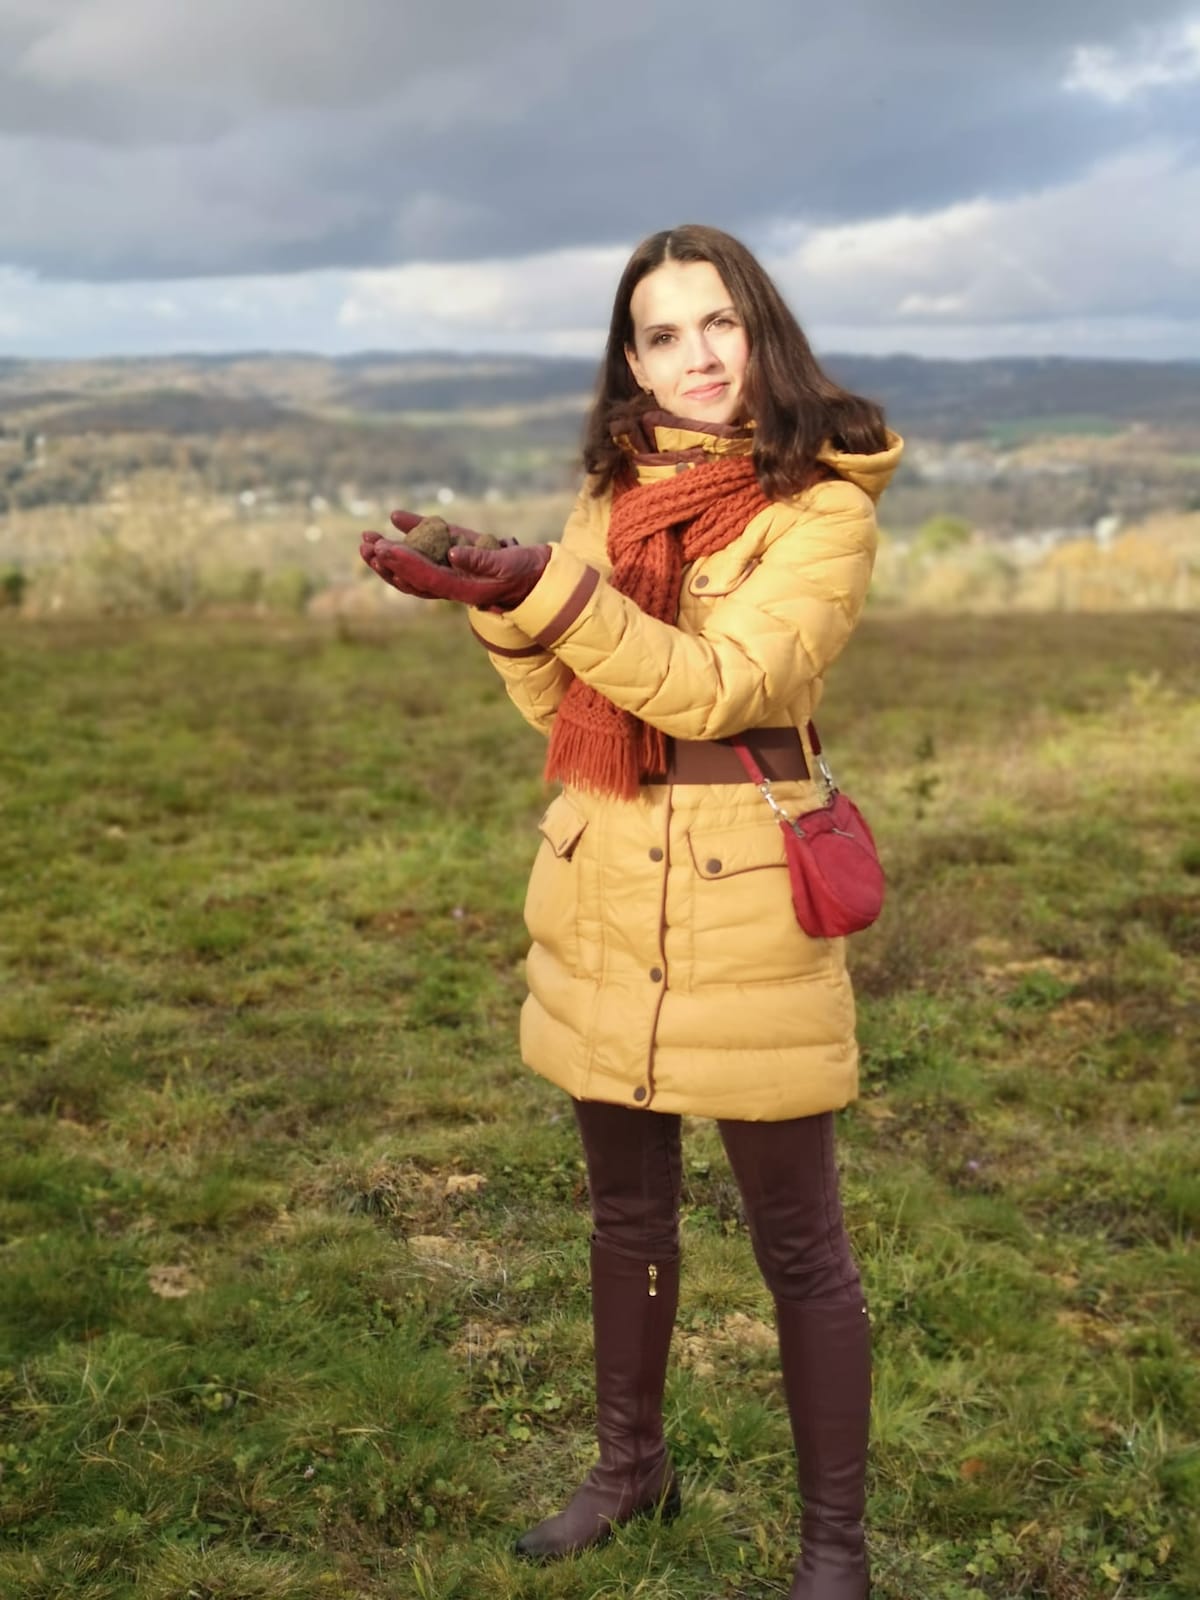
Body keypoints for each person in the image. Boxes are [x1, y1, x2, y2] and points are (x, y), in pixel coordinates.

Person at [360, 223, 903, 1600]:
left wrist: (544, 586)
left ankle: (831, 1552)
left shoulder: (824, 506)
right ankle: (628, 1469)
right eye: (662, 334)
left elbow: (720, 687)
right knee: (624, 1219)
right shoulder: (615, 494)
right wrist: (501, 609)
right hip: (605, 876)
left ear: (761, 329)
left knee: (801, 1248)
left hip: (745, 896)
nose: (696, 357)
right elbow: (566, 704)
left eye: (717, 324)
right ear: (630, 355)